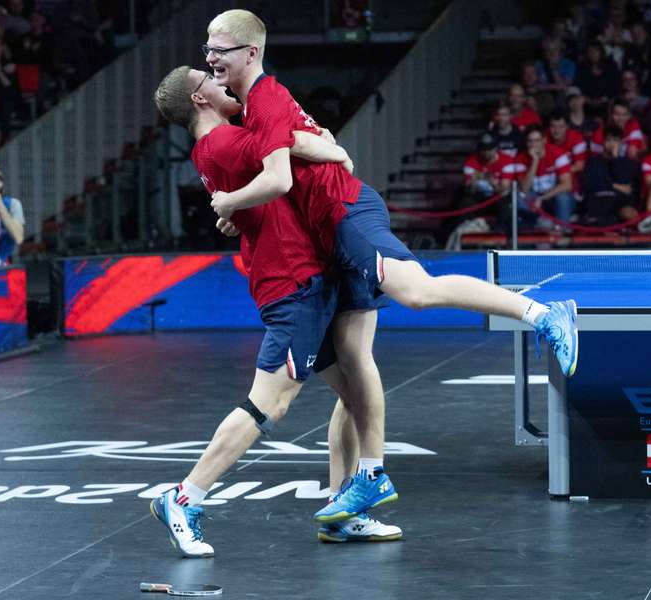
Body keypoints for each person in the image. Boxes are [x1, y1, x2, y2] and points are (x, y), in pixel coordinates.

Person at [149, 8, 578, 557]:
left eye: (216, 55)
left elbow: (284, 160)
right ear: (202, 100)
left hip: (337, 224)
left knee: (404, 307)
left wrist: (254, 188)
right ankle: (305, 501)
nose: (211, 63)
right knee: (338, 386)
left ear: (247, 55)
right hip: (304, 270)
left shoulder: (263, 104)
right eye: (206, 67)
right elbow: (289, 158)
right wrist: (317, 152)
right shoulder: (230, 135)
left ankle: (543, 315)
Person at [153, 66, 401, 554]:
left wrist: (234, 212)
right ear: (199, 99)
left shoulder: (215, 148)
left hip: (311, 274)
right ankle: (184, 496)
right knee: (271, 402)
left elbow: (250, 192)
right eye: (208, 76)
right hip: (291, 286)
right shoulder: (223, 142)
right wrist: (336, 148)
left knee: (354, 393)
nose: (221, 77)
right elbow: (289, 147)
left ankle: (342, 510)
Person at [517, 124, 575, 229]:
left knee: (563, 197)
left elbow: (567, 184)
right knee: (518, 198)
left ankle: (560, 234)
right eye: (530, 141)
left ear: (544, 140)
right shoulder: (521, 158)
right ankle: (530, 232)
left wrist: (542, 198)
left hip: (552, 197)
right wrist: (535, 161)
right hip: (533, 196)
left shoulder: (558, 153)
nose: (533, 145)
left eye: (537, 140)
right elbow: (524, 189)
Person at [580, 125, 636, 226]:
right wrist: (615, 186)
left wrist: (616, 158)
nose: (612, 144)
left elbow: (626, 186)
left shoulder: (625, 162)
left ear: (621, 143)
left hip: (618, 203)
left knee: (630, 212)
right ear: (603, 142)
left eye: (615, 140)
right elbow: (590, 185)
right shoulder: (593, 161)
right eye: (608, 140)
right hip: (598, 202)